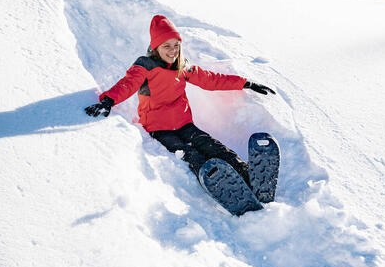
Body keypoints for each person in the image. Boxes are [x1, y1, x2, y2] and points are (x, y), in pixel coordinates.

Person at [84, 14, 275, 187]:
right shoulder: (145, 66)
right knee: (188, 154)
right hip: (158, 128)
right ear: (156, 47)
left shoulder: (182, 67)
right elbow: (128, 84)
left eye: (176, 45)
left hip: (184, 123)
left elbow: (210, 79)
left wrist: (245, 83)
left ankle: (246, 173)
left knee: (210, 145)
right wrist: (108, 100)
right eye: (167, 46)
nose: (173, 51)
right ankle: (219, 183)